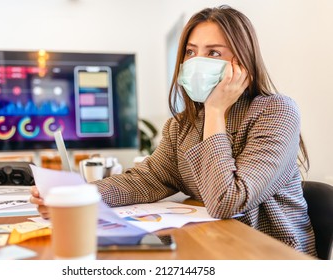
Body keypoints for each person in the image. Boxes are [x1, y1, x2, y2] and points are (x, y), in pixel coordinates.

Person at [30, 5, 317, 256]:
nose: (194, 62)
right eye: (190, 52)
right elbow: (146, 180)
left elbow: (227, 201)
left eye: (213, 52)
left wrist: (215, 111)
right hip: (214, 246)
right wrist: (73, 196)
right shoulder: (182, 126)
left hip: (272, 255)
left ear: (241, 62)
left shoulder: (276, 111)